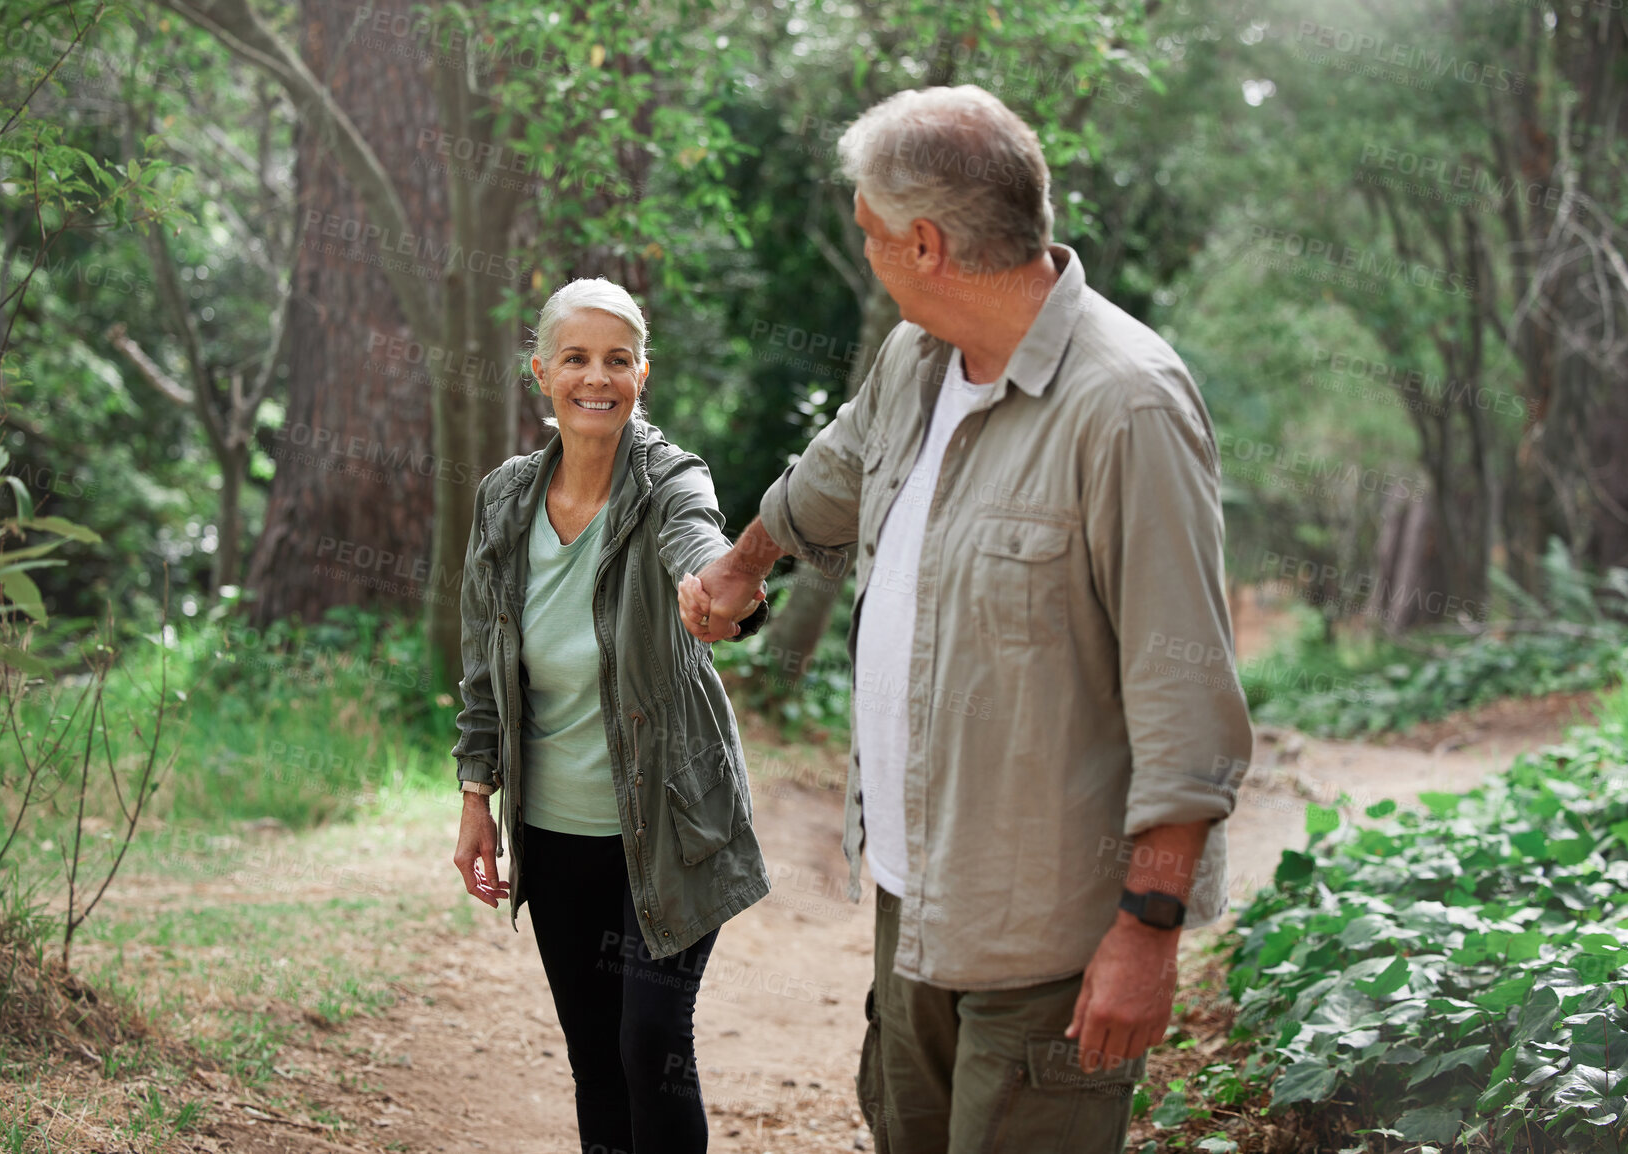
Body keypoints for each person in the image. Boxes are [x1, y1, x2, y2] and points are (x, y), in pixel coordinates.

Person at [677, 86, 1255, 1152]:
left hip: (1053, 939)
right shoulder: (915, 358)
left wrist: (1149, 929)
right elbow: (830, 478)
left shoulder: (1129, 406)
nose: (867, 254)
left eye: (870, 234)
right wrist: (739, 565)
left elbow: (1188, 702)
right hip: (917, 894)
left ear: (928, 243)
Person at [450, 277, 770, 1154]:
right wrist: (477, 797)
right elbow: (484, 664)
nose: (598, 378)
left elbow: (700, 540)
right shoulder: (505, 501)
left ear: (642, 375)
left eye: (618, 360)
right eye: (577, 359)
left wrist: (719, 591)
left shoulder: (670, 480)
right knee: (595, 1055)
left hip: (669, 825)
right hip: (554, 833)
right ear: (542, 373)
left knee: (650, 1042)